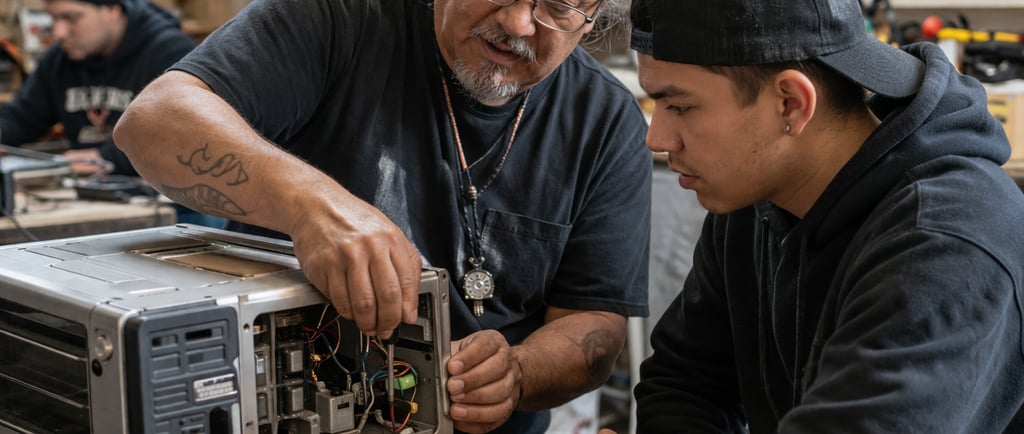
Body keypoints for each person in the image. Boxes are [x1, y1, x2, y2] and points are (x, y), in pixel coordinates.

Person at [112, 0, 652, 432]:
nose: (516, 23)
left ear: (594, 15)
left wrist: (516, 372)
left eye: (558, 6)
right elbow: (152, 124)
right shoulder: (336, 19)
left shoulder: (604, 120)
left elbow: (593, 324)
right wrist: (312, 206)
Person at [627, 0, 1024, 432]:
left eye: (680, 107)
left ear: (791, 104)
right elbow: (685, 384)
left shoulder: (946, 247)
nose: (657, 138)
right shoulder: (757, 194)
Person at [0, 0, 194, 177]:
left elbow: (178, 137)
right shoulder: (59, 60)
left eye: (71, 17)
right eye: (53, 18)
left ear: (112, 9)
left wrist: (105, 158)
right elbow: (22, 118)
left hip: (172, 199)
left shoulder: (171, 52)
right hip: (94, 191)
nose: (58, 32)